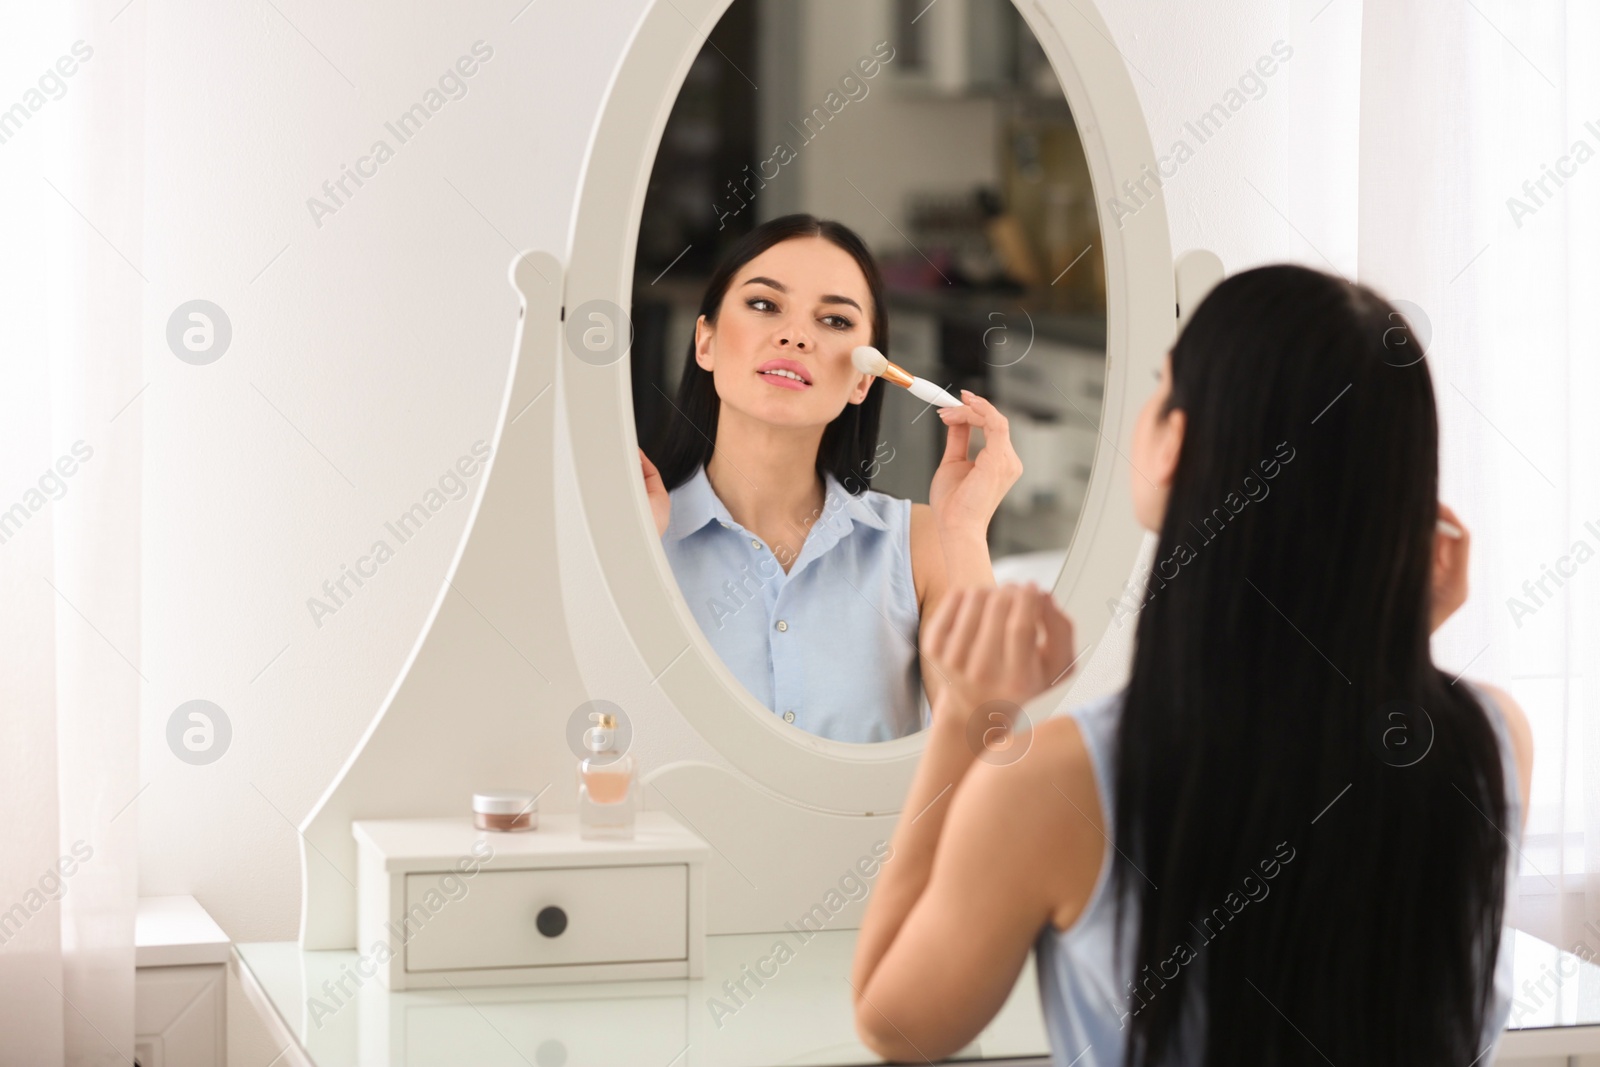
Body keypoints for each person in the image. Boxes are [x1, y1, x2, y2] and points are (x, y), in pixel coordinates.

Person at [850, 264, 1534, 1066]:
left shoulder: (1066, 784)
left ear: (1176, 440)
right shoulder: (1491, 739)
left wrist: (970, 713)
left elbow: (893, 1023)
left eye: (1160, 383)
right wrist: (1394, 637)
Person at [640, 213, 1022, 744]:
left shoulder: (923, 545)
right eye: (763, 305)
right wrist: (633, 552)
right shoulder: (640, 532)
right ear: (704, 342)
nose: (795, 335)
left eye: (836, 321)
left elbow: (994, 753)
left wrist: (965, 534)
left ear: (864, 381)